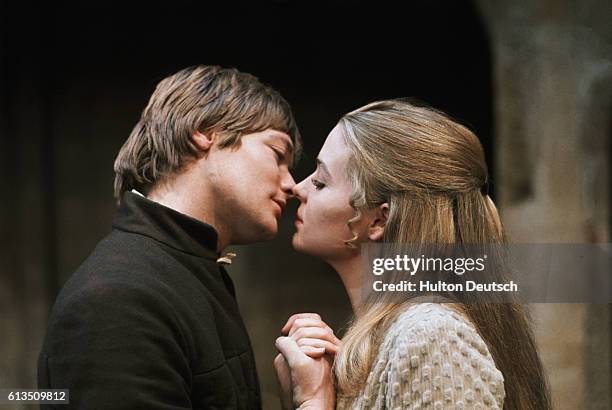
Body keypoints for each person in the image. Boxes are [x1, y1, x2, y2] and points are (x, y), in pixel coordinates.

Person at [38, 65, 300, 409]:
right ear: (205, 133)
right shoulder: (119, 299)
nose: (292, 184)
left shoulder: (190, 269)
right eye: (277, 155)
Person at [274, 99, 551, 409]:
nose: (298, 188)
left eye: (321, 182)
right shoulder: (395, 340)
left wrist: (312, 403)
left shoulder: (432, 338)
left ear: (378, 219)